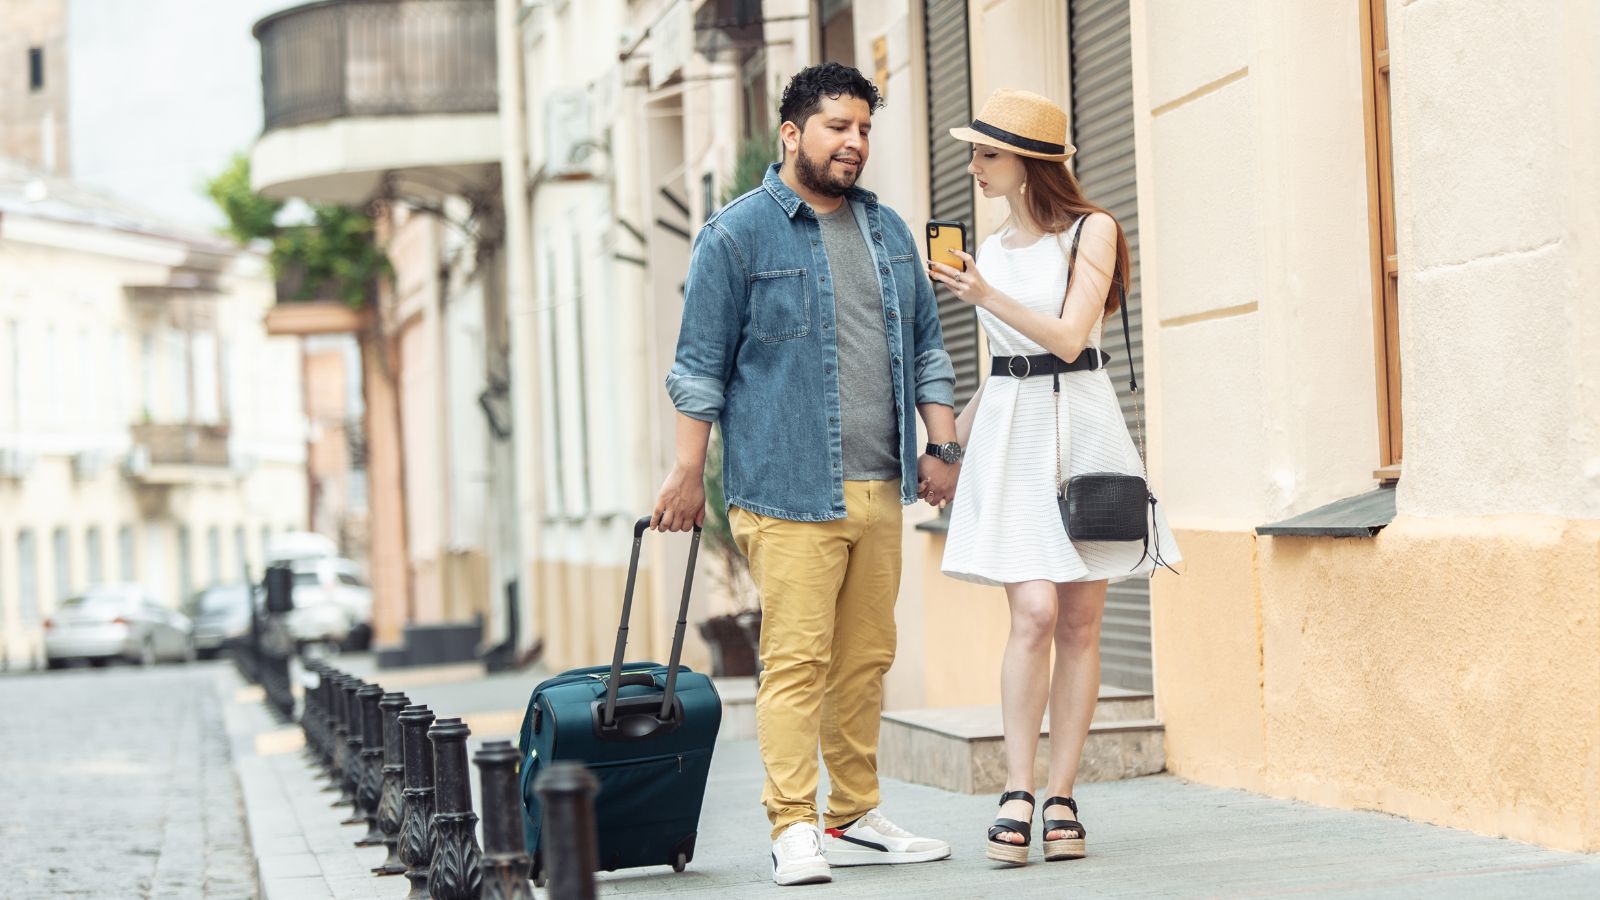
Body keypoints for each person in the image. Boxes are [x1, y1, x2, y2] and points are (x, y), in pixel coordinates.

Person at [652, 62, 958, 887]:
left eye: (863, 128)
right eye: (837, 127)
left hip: (879, 484)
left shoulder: (888, 230)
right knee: (796, 662)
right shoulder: (737, 234)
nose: (854, 143)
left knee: (865, 660)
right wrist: (686, 473)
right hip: (788, 490)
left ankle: (853, 814)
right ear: (793, 134)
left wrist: (942, 446)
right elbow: (698, 368)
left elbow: (927, 346)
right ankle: (791, 824)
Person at [928, 88, 1182, 865]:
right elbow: (1003, 368)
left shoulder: (1091, 230)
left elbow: (1071, 339)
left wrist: (987, 295)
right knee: (1033, 612)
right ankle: (1016, 787)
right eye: (974, 152)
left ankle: (1062, 794)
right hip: (1010, 433)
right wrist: (947, 449)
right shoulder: (990, 253)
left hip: (1081, 429)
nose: (973, 166)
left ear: (1029, 162)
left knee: (1079, 622)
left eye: (988, 153)